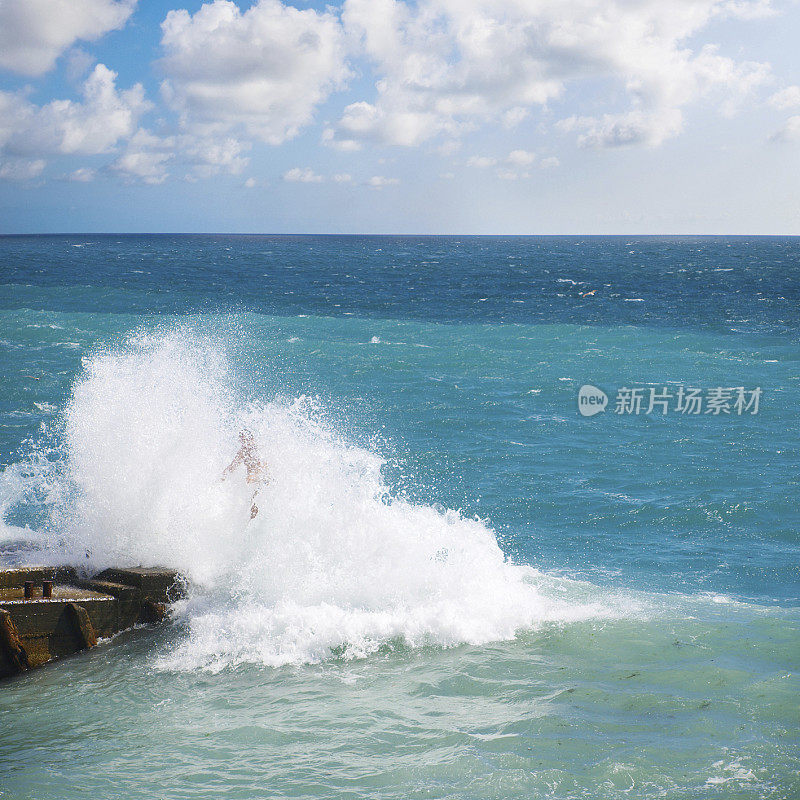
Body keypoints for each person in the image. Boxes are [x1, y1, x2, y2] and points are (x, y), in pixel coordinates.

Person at [222, 429, 269, 519]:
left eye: (245, 440)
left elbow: (264, 467)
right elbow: (232, 466)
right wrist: (223, 476)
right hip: (254, 482)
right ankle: (249, 523)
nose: (244, 443)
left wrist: (253, 476)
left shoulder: (258, 449)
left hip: (263, 480)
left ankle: (254, 520)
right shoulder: (243, 451)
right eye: (242, 441)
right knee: (250, 504)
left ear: (251, 439)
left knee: (254, 503)